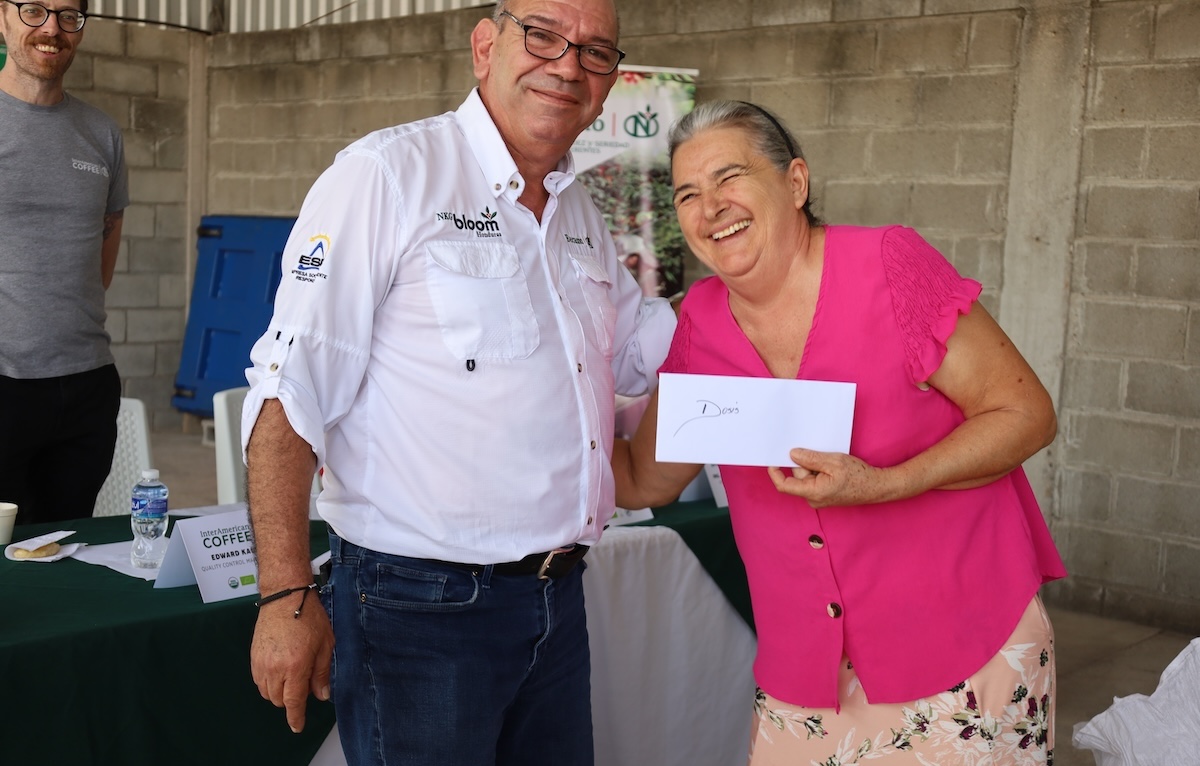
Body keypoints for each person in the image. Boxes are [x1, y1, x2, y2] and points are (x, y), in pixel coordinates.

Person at [242, 1, 675, 764]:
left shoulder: (579, 209)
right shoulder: (386, 176)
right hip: (419, 611)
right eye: (542, 35)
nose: (568, 65)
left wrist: (768, 290)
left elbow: (646, 352)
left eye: (595, 53)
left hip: (556, 600)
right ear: (484, 47)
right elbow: (290, 391)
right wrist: (283, 596)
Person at [613, 101, 1067, 764]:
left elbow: (1025, 413)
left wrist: (884, 484)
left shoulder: (888, 266)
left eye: (729, 177)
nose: (710, 207)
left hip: (964, 649)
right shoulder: (701, 323)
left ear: (795, 183)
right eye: (687, 193)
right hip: (808, 679)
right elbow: (644, 477)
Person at [0, 0, 127, 526]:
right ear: (2, 17)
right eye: (34, 10)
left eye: (68, 16)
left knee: (64, 552)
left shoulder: (101, 134)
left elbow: (106, 238)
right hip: (4, 380)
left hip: (86, 388)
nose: (52, 28)